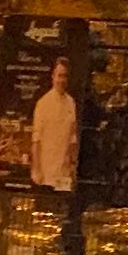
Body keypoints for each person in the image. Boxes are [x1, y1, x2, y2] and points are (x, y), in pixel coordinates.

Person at [29, 56, 80, 191]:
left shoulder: (71, 103)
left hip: (64, 172)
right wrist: (36, 169)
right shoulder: (43, 103)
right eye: (59, 75)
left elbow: (73, 137)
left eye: (65, 76)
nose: (61, 80)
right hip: (46, 171)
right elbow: (36, 140)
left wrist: (73, 165)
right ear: (53, 77)